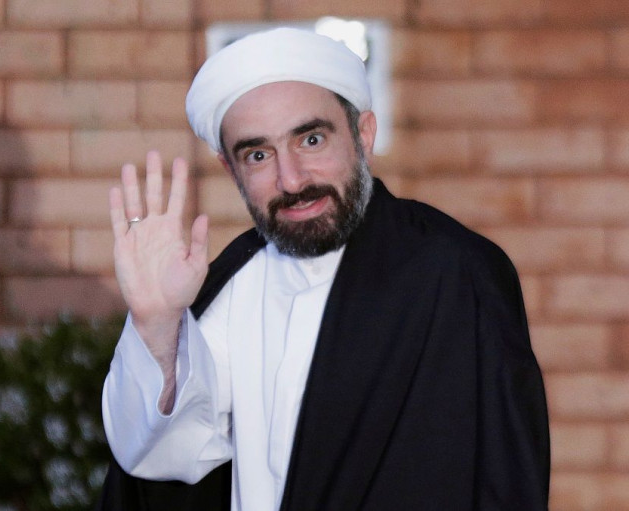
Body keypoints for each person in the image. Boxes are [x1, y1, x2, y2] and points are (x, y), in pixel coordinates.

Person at [97, 27, 550, 511]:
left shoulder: (456, 273)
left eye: (311, 139)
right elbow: (164, 459)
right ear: (231, 171)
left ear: (364, 135)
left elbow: (506, 477)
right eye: (258, 155)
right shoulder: (234, 280)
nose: (291, 180)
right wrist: (158, 323)